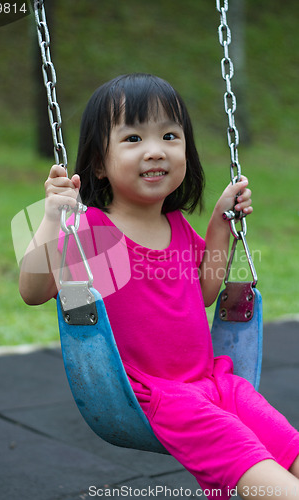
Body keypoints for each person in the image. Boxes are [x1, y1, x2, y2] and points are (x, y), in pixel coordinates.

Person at [19, 73, 299, 499]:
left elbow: (206, 293)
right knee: (251, 462)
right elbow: (33, 291)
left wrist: (222, 222)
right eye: (133, 139)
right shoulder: (95, 231)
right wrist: (53, 217)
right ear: (98, 163)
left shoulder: (178, 227)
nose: (155, 150)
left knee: (286, 445)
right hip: (156, 397)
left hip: (216, 383)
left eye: (170, 135)